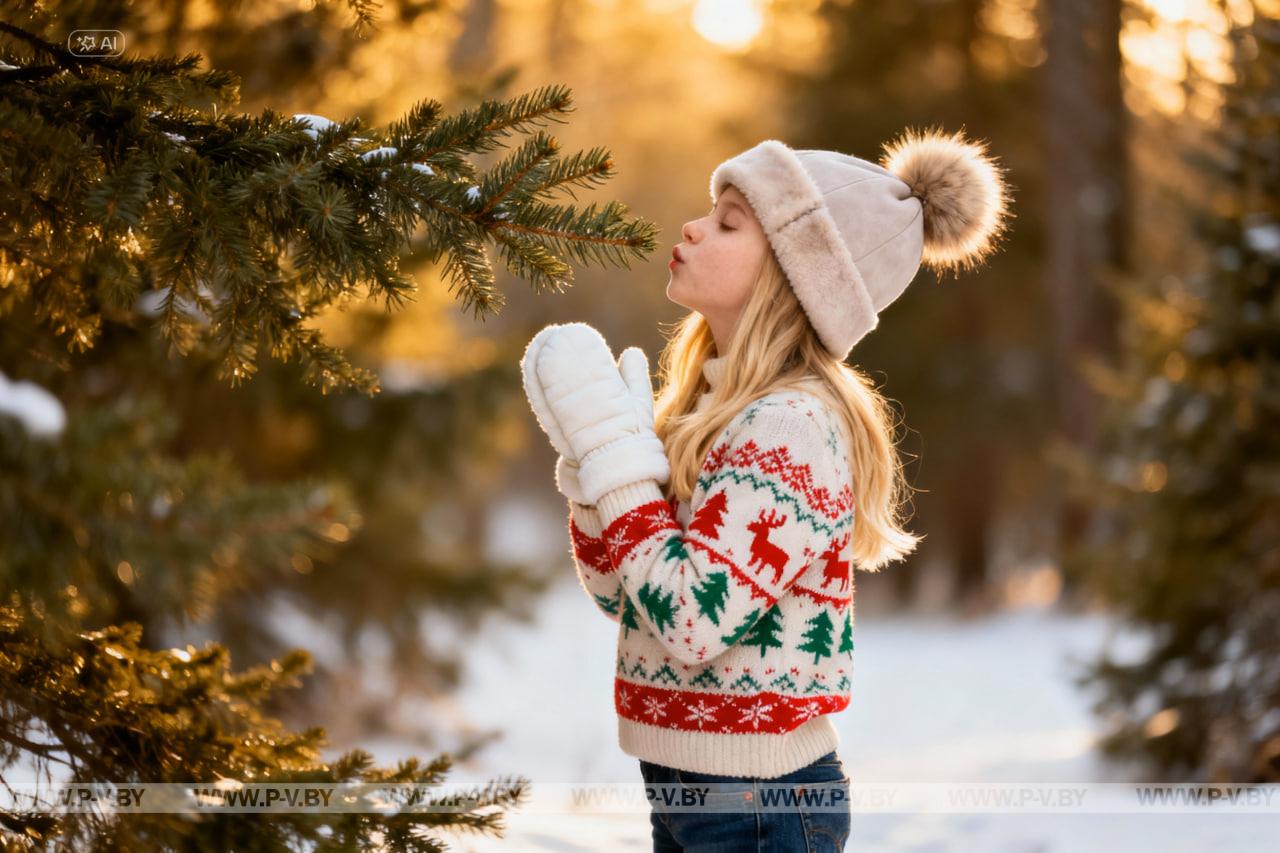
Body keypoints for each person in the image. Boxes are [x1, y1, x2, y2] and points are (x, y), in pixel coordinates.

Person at [521, 129, 1013, 852]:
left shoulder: (789, 427)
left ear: (793, 276)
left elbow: (691, 621)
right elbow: (621, 595)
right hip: (686, 789)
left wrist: (619, 465)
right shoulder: (705, 409)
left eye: (728, 224)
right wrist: (593, 463)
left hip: (758, 805)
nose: (694, 227)